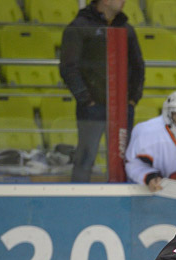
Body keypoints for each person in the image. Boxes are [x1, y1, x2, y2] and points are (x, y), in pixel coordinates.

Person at [60, 0, 145, 183]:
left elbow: (138, 66)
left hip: (122, 107)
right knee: (86, 156)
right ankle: (78, 199)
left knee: (123, 159)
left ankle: (122, 201)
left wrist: (132, 99)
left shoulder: (126, 29)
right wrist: (86, 99)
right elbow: (68, 67)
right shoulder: (79, 27)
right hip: (92, 107)